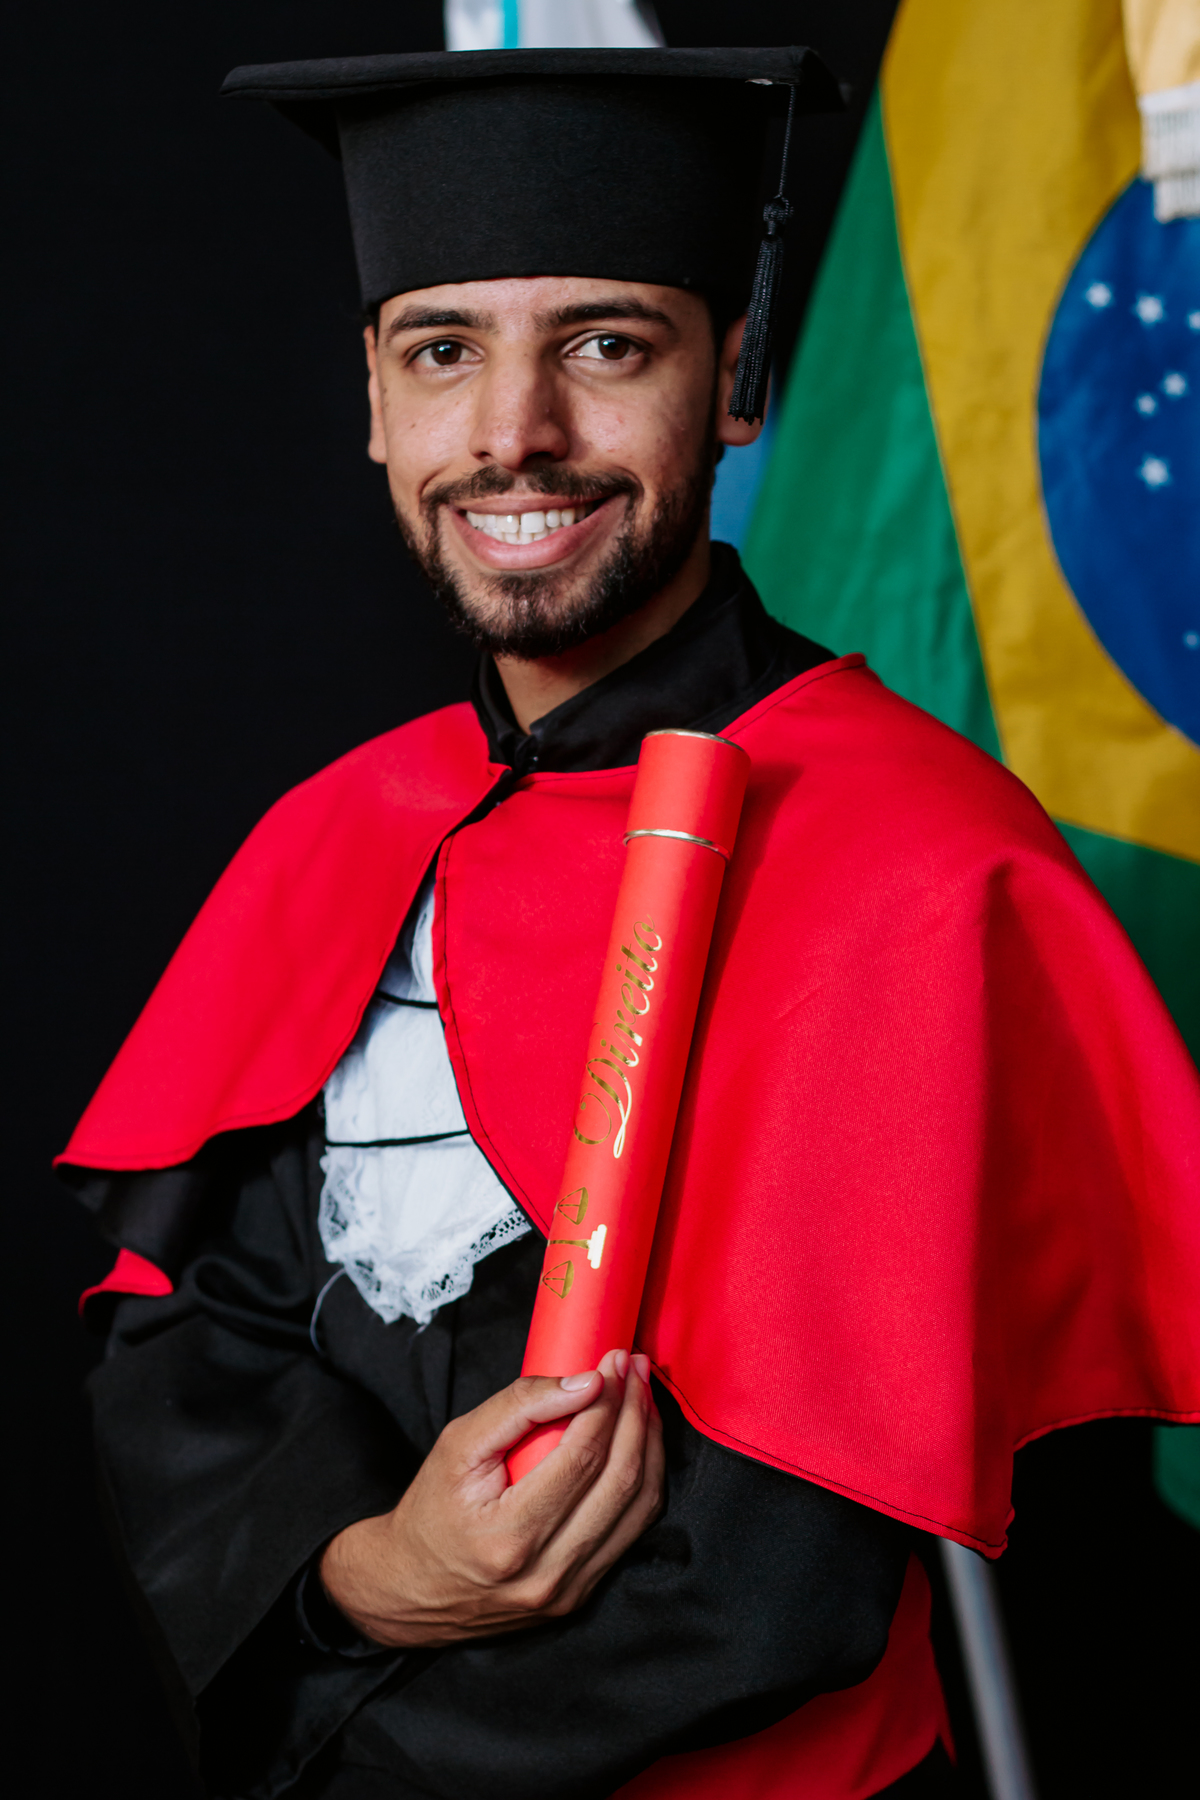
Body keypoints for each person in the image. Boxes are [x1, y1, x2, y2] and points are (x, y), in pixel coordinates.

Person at [62, 44, 1200, 1800]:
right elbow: (193, 1338)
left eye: (604, 345)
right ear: (374, 398)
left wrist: (342, 1716)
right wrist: (361, 1577)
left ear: (733, 381)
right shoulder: (336, 831)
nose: (513, 432)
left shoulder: (919, 865)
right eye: (443, 349)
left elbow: (765, 1584)